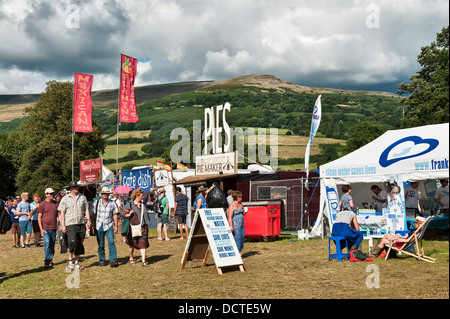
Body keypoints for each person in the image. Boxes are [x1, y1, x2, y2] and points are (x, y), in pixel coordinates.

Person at [58, 181, 91, 271]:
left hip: (80, 223)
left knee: (79, 243)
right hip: (70, 224)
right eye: (74, 187)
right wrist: (63, 225)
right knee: (72, 242)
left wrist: (88, 220)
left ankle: (76, 262)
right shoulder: (65, 199)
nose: (76, 188)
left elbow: (86, 209)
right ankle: (70, 261)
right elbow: (62, 212)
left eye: (77, 187)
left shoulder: (82, 197)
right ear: (71, 189)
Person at [121, 189, 150, 267]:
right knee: (132, 244)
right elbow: (123, 214)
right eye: (142, 196)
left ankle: (143, 261)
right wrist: (129, 214)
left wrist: (146, 226)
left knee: (143, 244)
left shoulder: (142, 205)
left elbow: (146, 217)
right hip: (132, 228)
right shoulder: (129, 205)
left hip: (143, 227)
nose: (143, 197)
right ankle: (131, 258)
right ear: (137, 196)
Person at [93, 187, 119, 268]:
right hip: (99, 225)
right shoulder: (97, 202)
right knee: (101, 244)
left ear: (109, 194)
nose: (105, 195)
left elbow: (115, 214)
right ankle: (102, 260)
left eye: (106, 193)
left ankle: (113, 260)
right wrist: (92, 225)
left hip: (109, 225)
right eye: (103, 193)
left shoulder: (112, 203)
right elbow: (93, 214)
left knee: (111, 242)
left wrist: (116, 225)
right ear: (101, 194)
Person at [37, 188, 59, 268]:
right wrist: (41, 229)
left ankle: (50, 259)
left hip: (53, 227)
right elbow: (39, 217)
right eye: (50, 193)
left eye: (52, 193)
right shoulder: (42, 204)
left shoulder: (56, 203)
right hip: (45, 227)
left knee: (52, 245)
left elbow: (59, 214)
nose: (51, 195)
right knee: (47, 243)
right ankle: (47, 261)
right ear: (46, 194)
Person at [227, 191, 245, 256]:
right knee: (237, 237)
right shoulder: (232, 205)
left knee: (242, 236)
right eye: (240, 197)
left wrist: (244, 211)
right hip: (235, 223)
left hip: (241, 223)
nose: (241, 198)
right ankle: (238, 253)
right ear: (237, 197)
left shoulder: (240, 204)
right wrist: (231, 226)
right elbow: (229, 216)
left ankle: (239, 250)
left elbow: (243, 211)